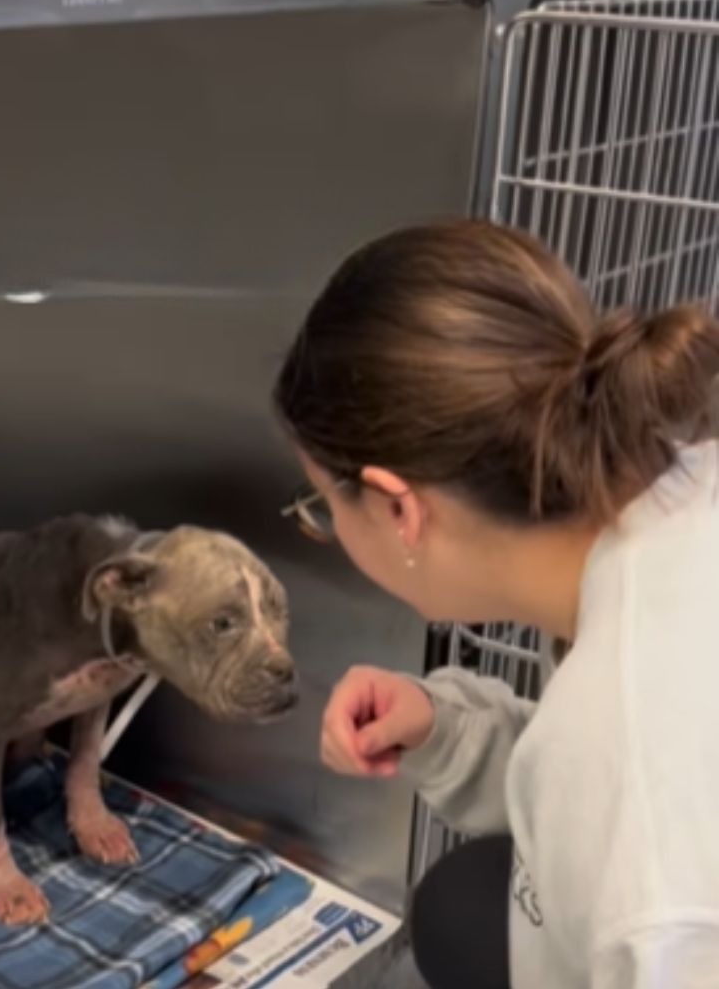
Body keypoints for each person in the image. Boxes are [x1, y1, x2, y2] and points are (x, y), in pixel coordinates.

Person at [273, 220, 719, 989]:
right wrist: (446, 727)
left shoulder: (640, 809)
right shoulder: (675, 499)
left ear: (398, 508)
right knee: (460, 904)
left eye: (319, 509)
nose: (325, 529)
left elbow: (624, 797)